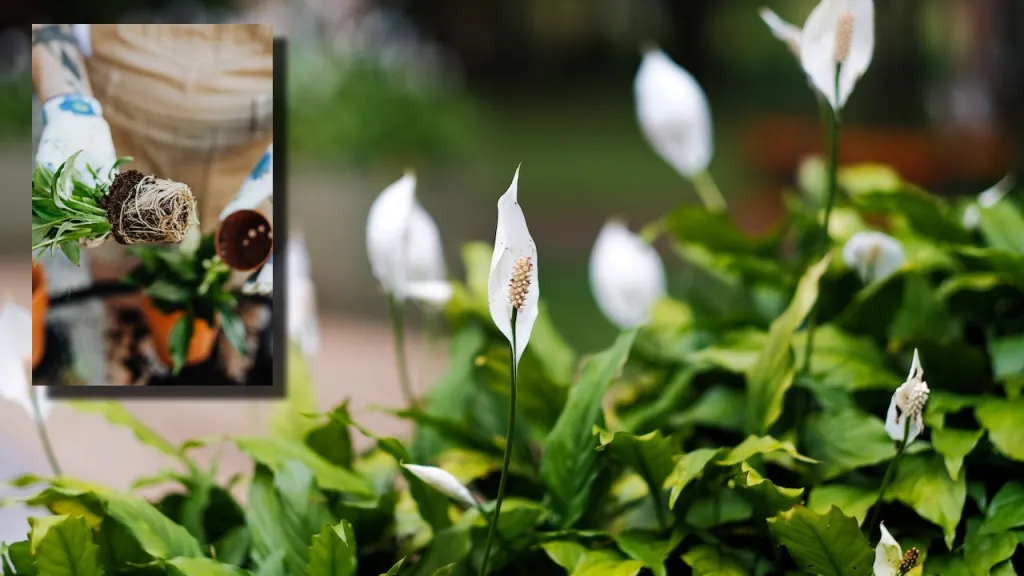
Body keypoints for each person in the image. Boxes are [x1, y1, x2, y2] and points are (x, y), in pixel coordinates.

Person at [31, 23, 274, 293]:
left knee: (228, 291)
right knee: (124, 298)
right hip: (122, 119)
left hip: (245, 144)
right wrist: (70, 109)